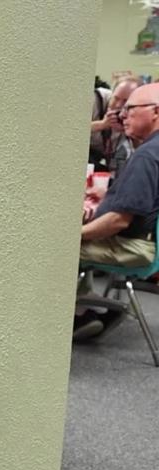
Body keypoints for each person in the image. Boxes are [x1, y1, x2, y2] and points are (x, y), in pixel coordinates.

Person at [73, 82, 159, 340]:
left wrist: (77, 234)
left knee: (59, 248)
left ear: (155, 112)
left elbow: (117, 221)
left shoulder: (147, 156)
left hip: (131, 245)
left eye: (131, 109)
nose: (123, 115)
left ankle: (82, 313)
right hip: (142, 241)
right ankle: (87, 309)